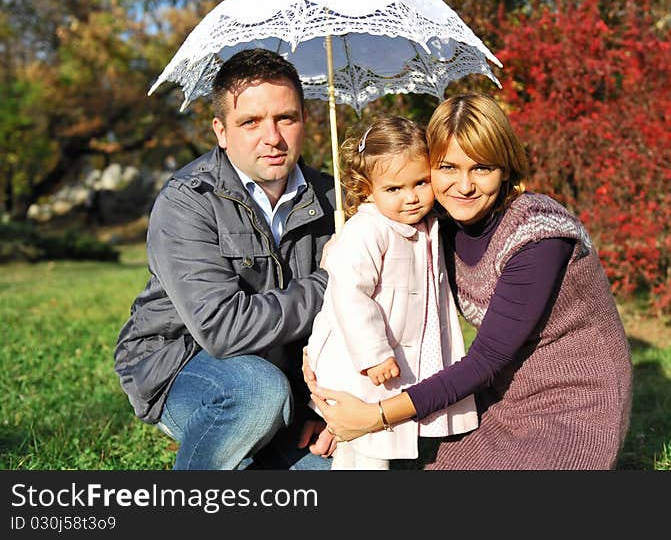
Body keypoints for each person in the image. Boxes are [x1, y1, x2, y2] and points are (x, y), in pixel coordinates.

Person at [307, 93, 633, 470]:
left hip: (575, 401)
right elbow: (365, 291)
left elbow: (486, 359)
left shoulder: (538, 235)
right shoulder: (437, 229)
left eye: (482, 168)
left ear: (506, 169)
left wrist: (374, 417)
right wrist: (331, 369)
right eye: (447, 167)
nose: (463, 186)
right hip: (502, 395)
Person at [114, 48, 337, 470]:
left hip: (292, 380)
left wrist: (325, 408)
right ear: (221, 131)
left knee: (338, 470)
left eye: (285, 118)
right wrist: (329, 284)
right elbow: (222, 330)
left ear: (304, 122)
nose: (271, 137)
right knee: (255, 393)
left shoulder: (333, 199)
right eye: (250, 122)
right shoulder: (187, 202)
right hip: (179, 365)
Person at [307, 117, 478, 470]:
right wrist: (373, 354)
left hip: (396, 356)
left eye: (421, 183)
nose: (412, 197)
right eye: (394, 189)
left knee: (375, 442)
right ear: (368, 189)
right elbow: (351, 295)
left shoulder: (426, 225)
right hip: (364, 361)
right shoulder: (368, 230)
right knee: (368, 446)